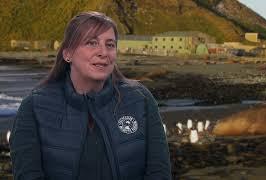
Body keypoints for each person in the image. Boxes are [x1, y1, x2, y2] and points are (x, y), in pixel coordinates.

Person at [9, 11, 171, 180]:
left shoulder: (140, 99)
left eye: (110, 45)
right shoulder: (34, 106)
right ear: (67, 54)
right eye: (91, 43)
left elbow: (159, 172)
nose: (103, 52)